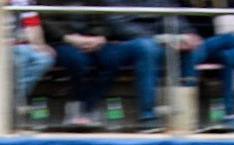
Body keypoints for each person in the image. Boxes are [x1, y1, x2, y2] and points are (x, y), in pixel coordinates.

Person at [40, 0, 163, 131]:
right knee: (77, 60)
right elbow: (46, 20)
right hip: (61, 42)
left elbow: (105, 18)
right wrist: (69, 38)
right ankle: (78, 106)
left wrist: (100, 37)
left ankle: (90, 107)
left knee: (110, 59)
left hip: (95, 41)